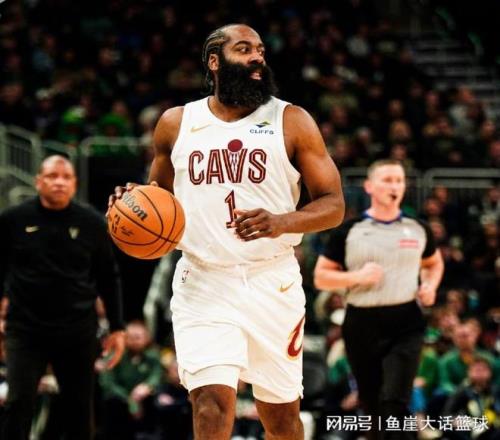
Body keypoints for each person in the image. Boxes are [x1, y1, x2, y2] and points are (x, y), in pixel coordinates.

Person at [110, 23, 344, 440]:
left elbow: (334, 205)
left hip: (272, 281)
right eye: (244, 49)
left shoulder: (292, 121)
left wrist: (281, 222)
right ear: (215, 62)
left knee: (282, 421)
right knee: (211, 404)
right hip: (204, 281)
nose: (257, 57)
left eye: (260, 50)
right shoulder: (176, 124)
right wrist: (131, 205)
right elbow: (157, 200)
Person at [314, 159, 444, 440]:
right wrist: (356, 277)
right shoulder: (349, 230)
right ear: (369, 186)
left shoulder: (418, 228)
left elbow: (434, 263)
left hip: (406, 321)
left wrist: (430, 285)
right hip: (361, 322)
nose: (394, 186)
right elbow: (321, 277)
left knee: (395, 399)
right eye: (387, 180)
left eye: (399, 180)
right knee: (371, 402)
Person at [0, 155, 126, 440]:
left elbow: (108, 276)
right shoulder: (12, 219)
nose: (59, 182)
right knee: (18, 403)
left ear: (74, 184)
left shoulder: (92, 223)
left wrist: (117, 327)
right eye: (52, 176)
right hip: (25, 329)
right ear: (38, 181)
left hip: (77, 330)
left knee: (79, 411)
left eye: (66, 177)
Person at [99, 320, 163, 440]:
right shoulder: (115, 355)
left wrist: (147, 386)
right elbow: (108, 382)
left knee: (159, 400)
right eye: (129, 337)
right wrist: (130, 400)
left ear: (146, 338)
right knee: (113, 403)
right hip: (120, 401)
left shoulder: (153, 356)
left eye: (137, 337)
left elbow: (157, 375)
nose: (133, 341)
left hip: (144, 400)